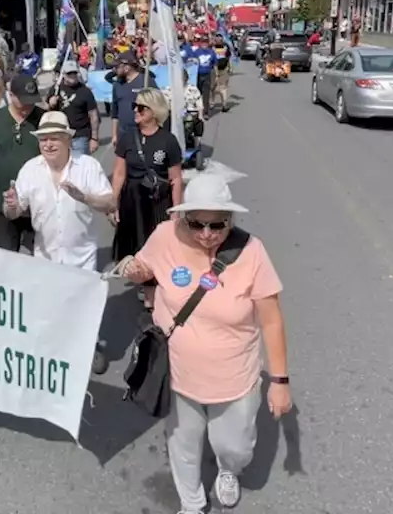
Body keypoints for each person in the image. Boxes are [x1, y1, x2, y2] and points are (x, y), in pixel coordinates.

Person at [119, 172, 292, 513]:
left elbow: (271, 320)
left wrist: (280, 382)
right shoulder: (164, 236)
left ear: (232, 219)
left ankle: (228, 471)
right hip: (179, 373)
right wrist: (133, 269)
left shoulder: (252, 251)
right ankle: (192, 502)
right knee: (182, 443)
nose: (207, 234)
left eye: (218, 225)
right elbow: (144, 266)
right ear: (182, 217)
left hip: (236, 378)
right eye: (197, 224)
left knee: (234, 447)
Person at [3, 111, 114, 270]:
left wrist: (85, 198)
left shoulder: (88, 166)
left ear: (68, 140)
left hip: (83, 263)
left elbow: (110, 203)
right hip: (45, 263)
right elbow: (12, 213)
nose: (48, 144)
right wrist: (11, 205)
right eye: (43, 139)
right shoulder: (30, 169)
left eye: (54, 139)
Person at [111, 88, 183, 261]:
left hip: (157, 202)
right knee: (133, 249)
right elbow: (119, 173)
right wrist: (113, 203)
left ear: (154, 110)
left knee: (157, 248)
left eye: (141, 107)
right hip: (132, 200)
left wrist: (176, 210)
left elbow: (176, 179)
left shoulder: (168, 140)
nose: (135, 110)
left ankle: (152, 284)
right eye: (134, 106)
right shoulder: (127, 138)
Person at [0, 75, 43, 251]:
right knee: (4, 259)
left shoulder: (43, 119)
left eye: (32, 101)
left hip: (37, 204)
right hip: (2, 201)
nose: (28, 107)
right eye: (24, 101)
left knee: (43, 261)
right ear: (11, 96)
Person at [47, 60, 99, 157]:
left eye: (74, 73)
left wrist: (94, 138)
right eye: (69, 73)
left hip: (80, 135)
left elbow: (93, 115)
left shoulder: (85, 91)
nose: (72, 76)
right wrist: (51, 104)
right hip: (61, 135)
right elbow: (46, 113)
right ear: (63, 74)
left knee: (80, 167)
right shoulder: (55, 89)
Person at [107, 50, 157, 151]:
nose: (114, 69)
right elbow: (115, 113)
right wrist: (114, 135)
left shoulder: (146, 81)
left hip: (142, 131)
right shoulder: (117, 85)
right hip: (123, 133)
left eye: (117, 66)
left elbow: (157, 106)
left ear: (126, 67)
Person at [183, 35, 216, 119]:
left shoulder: (211, 52)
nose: (204, 44)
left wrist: (216, 75)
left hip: (207, 74)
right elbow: (190, 61)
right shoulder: (197, 52)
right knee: (197, 93)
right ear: (201, 43)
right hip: (197, 75)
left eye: (206, 42)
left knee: (206, 94)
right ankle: (197, 110)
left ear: (208, 43)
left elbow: (214, 64)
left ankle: (205, 112)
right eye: (203, 42)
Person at [212, 34, 232, 113]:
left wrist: (230, 67)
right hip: (213, 70)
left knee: (223, 88)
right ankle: (212, 102)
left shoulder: (226, 46)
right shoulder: (212, 47)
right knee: (212, 87)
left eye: (220, 40)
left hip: (223, 69)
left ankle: (224, 105)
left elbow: (229, 57)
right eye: (217, 40)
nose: (219, 41)